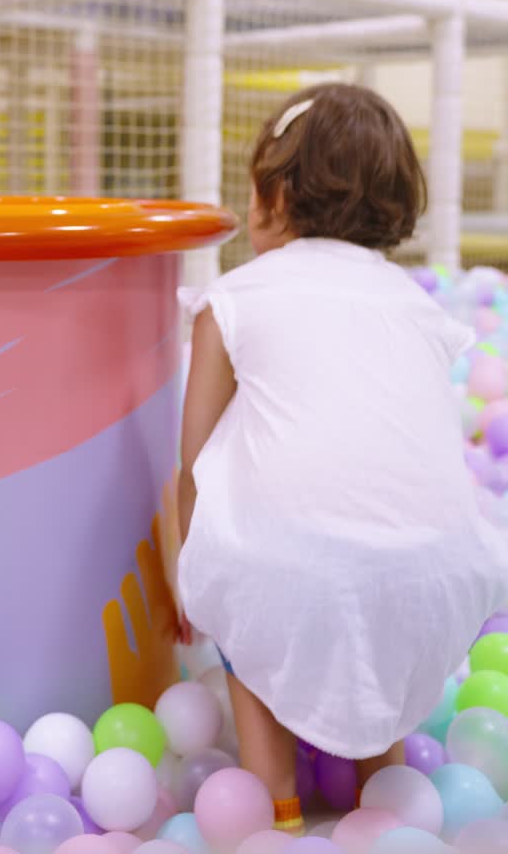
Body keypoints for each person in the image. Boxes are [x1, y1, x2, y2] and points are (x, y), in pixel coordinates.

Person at [177, 83, 508, 834]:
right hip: (442, 588)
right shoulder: (420, 309)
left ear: (275, 195)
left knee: (246, 562)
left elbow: (191, 469)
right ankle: (384, 792)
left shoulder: (235, 297)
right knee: (359, 538)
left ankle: (275, 807)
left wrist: (188, 588)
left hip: (302, 581)